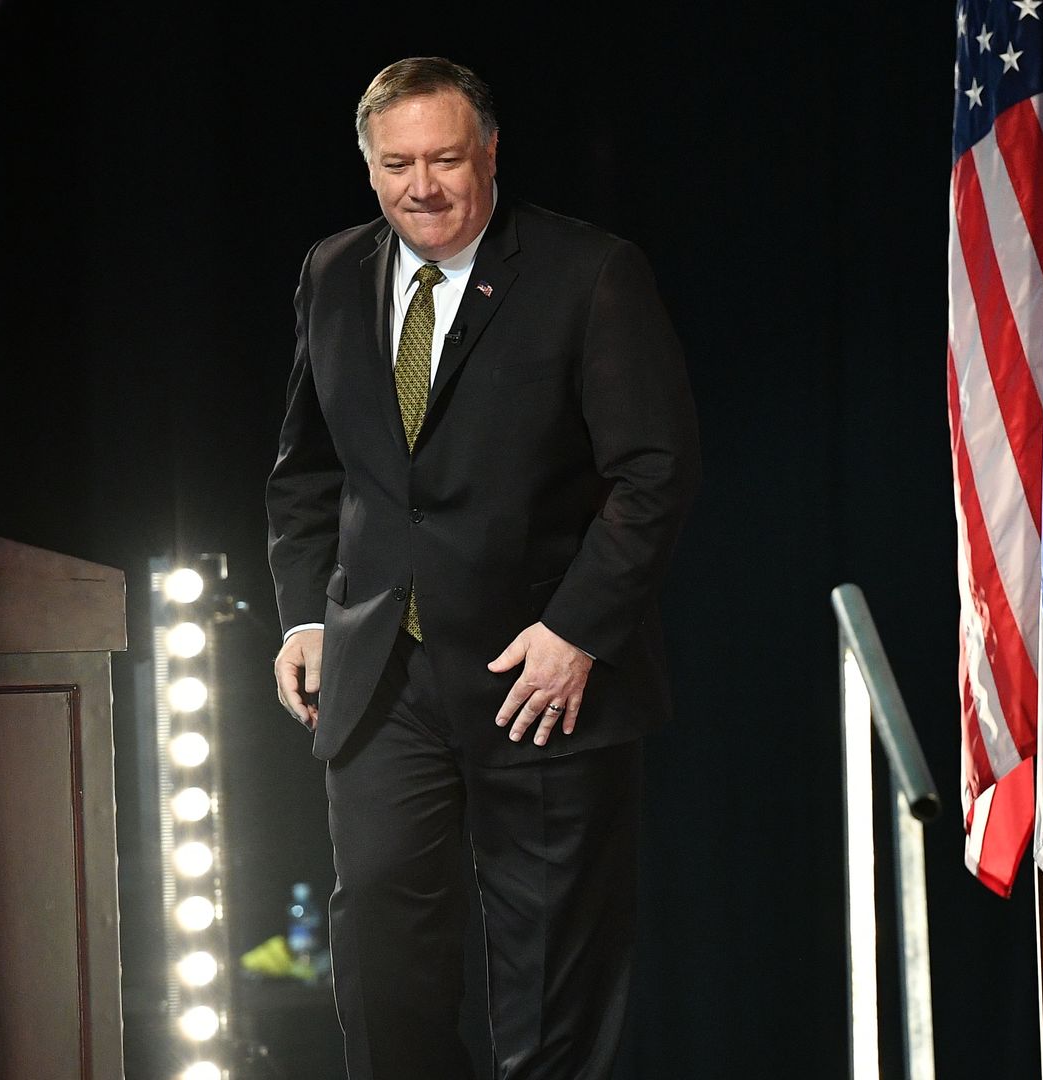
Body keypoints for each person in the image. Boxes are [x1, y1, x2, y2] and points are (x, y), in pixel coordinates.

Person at [265, 56, 700, 1079]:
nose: (424, 186)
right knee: (381, 959)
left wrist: (579, 630)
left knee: (552, 982)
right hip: (382, 679)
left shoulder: (589, 273)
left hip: (539, 678)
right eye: (399, 163)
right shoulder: (332, 273)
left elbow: (655, 473)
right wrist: (305, 618)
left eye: (448, 159)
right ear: (369, 168)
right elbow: (306, 473)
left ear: (491, 155)